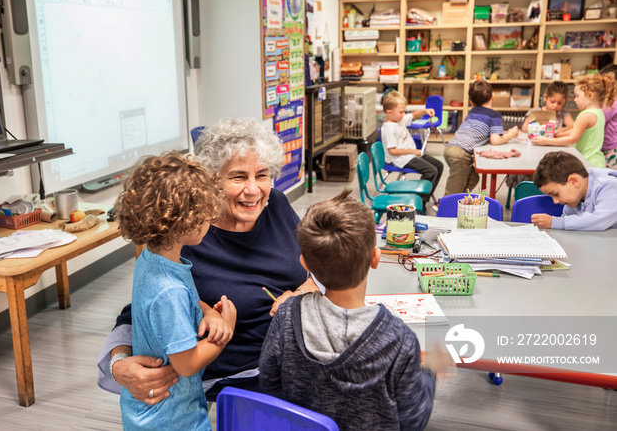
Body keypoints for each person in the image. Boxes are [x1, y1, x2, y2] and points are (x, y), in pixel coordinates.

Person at [97, 117, 320, 404]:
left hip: (296, 352)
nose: (253, 190)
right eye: (238, 177)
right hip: (242, 374)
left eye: (262, 175)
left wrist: (300, 294)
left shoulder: (276, 204)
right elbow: (142, 307)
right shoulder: (187, 234)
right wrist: (120, 365)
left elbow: (316, 273)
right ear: (212, 180)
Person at [259, 189, 439, 431]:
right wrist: (429, 373)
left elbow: (269, 384)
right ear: (375, 258)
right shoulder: (399, 339)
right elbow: (413, 420)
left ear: (305, 264)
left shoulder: (287, 315)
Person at [116, 152, 237, 430]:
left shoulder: (152, 260)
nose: (209, 219)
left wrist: (207, 312)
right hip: (173, 418)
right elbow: (186, 364)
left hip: (151, 413)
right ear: (183, 221)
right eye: (204, 214)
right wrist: (225, 332)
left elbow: (182, 303)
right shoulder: (168, 290)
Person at [443, 80, 519, 196]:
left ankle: (456, 201)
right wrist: (511, 135)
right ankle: (443, 205)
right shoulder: (494, 115)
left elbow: (479, 132)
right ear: (493, 96)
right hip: (461, 154)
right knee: (454, 186)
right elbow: (495, 140)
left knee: (473, 178)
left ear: (471, 102)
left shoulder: (472, 111)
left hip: (451, 149)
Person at [530, 73, 616, 168]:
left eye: (577, 96)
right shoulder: (599, 113)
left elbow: (572, 139)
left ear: (590, 95)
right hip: (596, 161)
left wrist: (546, 140)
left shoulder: (586, 115)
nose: (575, 99)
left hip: (587, 161)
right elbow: (578, 131)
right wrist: (558, 134)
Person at [508, 81, 576, 190]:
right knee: (531, 168)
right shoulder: (535, 111)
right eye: (552, 101)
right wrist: (539, 127)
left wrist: (562, 129)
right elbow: (524, 128)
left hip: (553, 150)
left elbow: (573, 126)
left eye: (559, 103)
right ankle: (529, 189)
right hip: (534, 148)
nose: (555, 106)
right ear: (545, 98)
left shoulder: (563, 113)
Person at [380, 91, 444, 205]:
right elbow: (392, 151)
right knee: (431, 171)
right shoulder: (389, 129)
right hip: (400, 159)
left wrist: (425, 111)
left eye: (404, 111)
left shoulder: (398, 120)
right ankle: (420, 201)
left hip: (410, 155)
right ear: (389, 112)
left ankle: (425, 195)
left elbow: (414, 115)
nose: (403, 114)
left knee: (439, 166)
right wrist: (412, 151)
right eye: (401, 112)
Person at [531, 151, 617, 231]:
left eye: (556, 194)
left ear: (574, 182)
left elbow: (599, 221)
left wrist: (555, 222)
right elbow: (569, 223)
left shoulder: (609, 186)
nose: (555, 201)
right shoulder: (574, 197)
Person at [599, 64, 617, 169]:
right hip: (606, 147)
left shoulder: (612, 103)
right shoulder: (609, 101)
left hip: (609, 148)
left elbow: (597, 118)